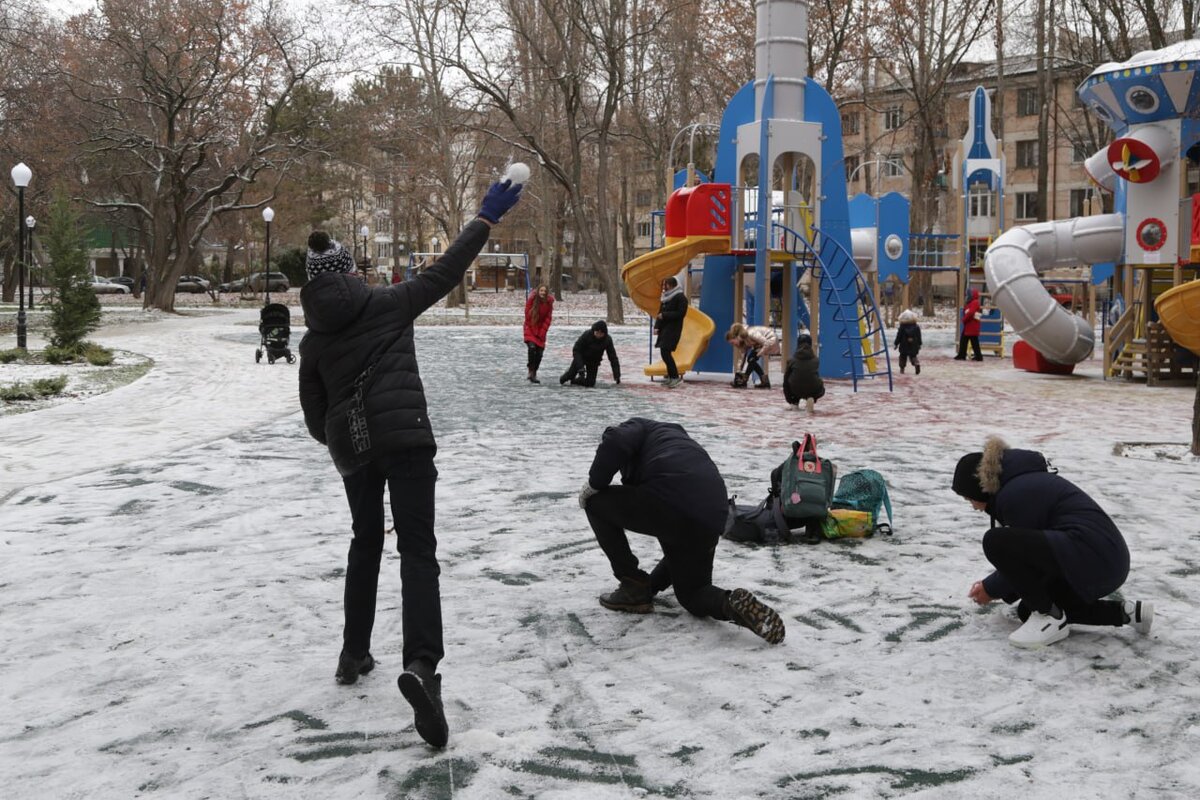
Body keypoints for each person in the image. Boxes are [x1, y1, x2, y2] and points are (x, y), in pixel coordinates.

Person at [298, 178, 523, 748]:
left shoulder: (313, 342)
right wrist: (485, 217)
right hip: (409, 441)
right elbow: (447, 271)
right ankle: (422, 665)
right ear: (353, 271)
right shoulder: (388, 301)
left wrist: (346, 443)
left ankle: (353, 651)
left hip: (356, 451)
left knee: (365, 541)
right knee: (417, 549)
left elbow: (314, 416)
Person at [578, 417, 786, 644]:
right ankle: (730, 604)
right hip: (712, 515)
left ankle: (631, 585)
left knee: (595, 503)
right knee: (693, 593)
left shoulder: (636, 427)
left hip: (672, 500)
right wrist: (652, 586)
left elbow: (616, 441)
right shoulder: (676, 442)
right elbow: (675, 551)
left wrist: (594, 484)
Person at [952, 435, 1153, 649]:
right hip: (1102, 559)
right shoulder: (1020, 485)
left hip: (1093, 557)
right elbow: (1037, 555)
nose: (972, 506)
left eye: (969, 498)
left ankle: (1049, 617)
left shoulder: (1017, 494)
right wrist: (1000, 588)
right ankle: (1130, 613)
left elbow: (1026, 560)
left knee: (995, 542)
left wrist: (991, 588)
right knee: (1029, 609)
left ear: (979, 488)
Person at [560, 320, 621, 387]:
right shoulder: (587, 335)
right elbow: (576, 350)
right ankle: (565, 377)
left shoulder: (607, 340)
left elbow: (613, 358)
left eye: (601, 333)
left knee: (590, 383)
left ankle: (574, 381)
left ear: (604, 333)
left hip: (594, 362)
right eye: (597, 332)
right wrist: (580, 368)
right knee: (569, 375)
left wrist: (617, 375)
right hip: (581, 358)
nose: (598, 335)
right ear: (594, 331)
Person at [655, 276, 687, 388]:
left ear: (672, 285)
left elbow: (681, 313)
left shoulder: (680, 297)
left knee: (665, 352)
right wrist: (657, 326)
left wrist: (665, 315)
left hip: (673, 329)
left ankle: (675, 377)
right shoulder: (665, 298)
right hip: (665, 328)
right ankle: (671, 376)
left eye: (666, 285)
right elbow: (659, 313)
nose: (664, 287)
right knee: (664, 352)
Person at [725, 322, 780, 389]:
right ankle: (764, 381)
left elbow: (766, 343)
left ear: (736, 337)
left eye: (733, 342)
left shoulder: (750, 333)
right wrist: (739, 372)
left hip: (770, 340)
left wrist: (758, 354)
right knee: (751, 359)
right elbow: (742, 357)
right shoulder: (743, 341)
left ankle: (744, 380)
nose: (733, 345)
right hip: (761, 345)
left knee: (752, 358)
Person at [782, 329, 825, 413]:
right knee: (816, 381)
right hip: (813, 388)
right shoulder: (816, 360)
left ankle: (794, 402)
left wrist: (789, 399)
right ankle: (811, 397)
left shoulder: (791, 360)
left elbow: (785, 381)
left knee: (790, 381)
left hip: (795, 390)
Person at [523, 284, 554, 384]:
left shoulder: (549, 303)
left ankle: (535, 371)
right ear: (538, 291)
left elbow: (548, 319)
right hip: (530, 328)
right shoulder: (532, 301)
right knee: (532, 348)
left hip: (541, 331)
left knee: (539, 353)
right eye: (541, 291)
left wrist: (542, 332)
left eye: (545, 291)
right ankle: (531, 371)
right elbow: (527, 317)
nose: (543, 293)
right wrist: (534, 330)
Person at [955, 288, 984, 361]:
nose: (967, 296)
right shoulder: (973, 302)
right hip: (970, 325)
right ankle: (965, 355)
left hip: (971, 325)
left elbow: (971, 312)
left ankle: (964, 355)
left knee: (971, 341)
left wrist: (964, 319)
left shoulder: (974, 302)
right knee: (969, 340)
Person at [894, 309, 922, 374]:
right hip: (914, 344)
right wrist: (919, 344)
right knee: (913, 356)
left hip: (904, 344)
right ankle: (916, 363)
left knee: (902, 357)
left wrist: (896, 343)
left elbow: (899, 336)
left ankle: (902, 368)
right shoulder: (916, 327)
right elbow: (919, 336)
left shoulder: (902, 327)